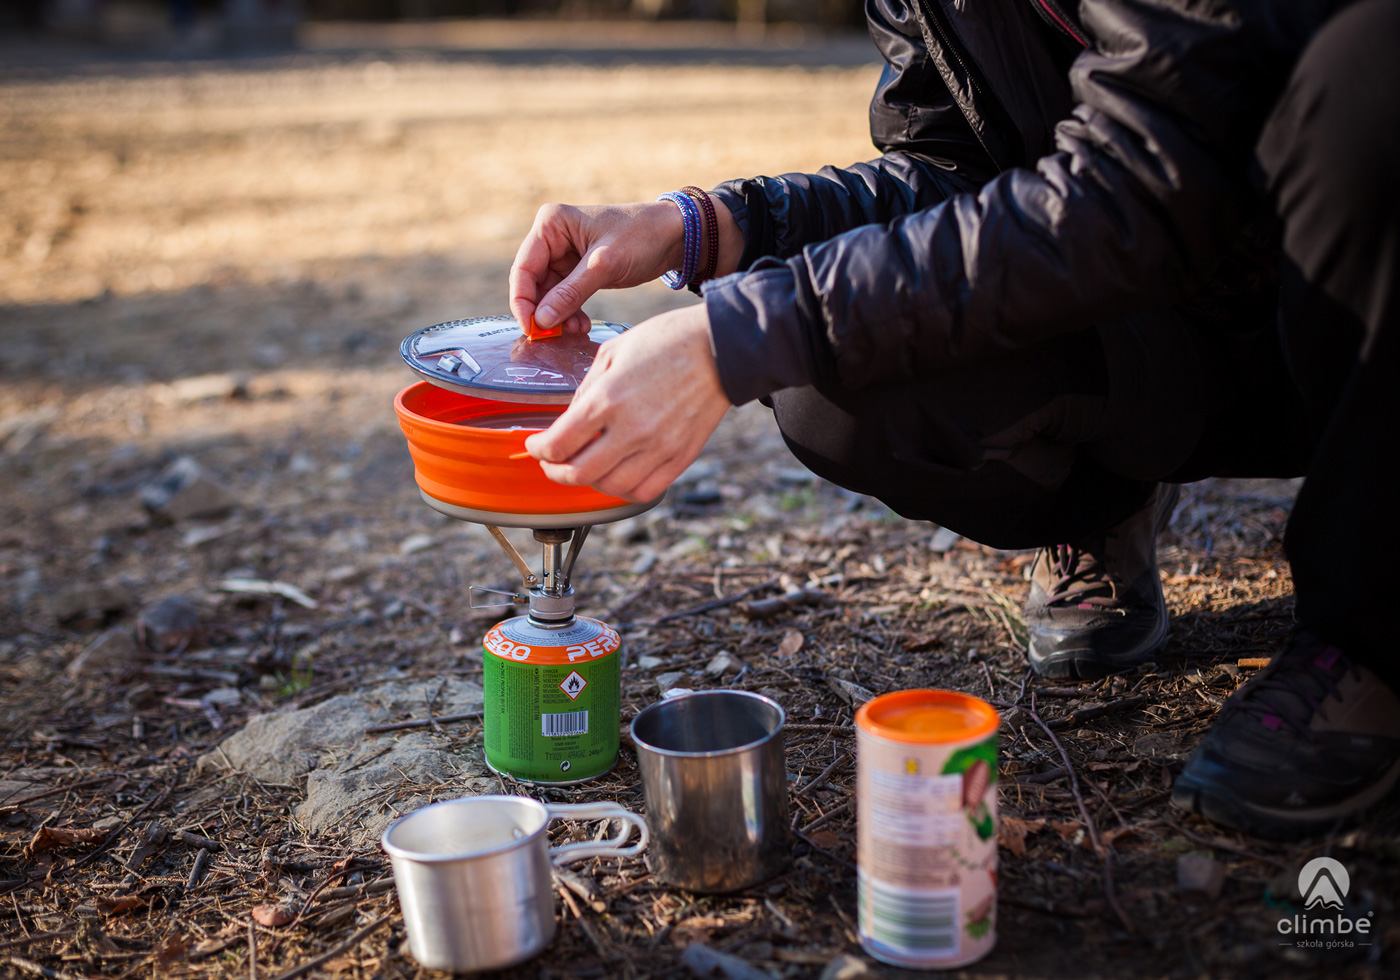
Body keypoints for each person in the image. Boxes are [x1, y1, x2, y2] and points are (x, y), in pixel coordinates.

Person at [507, 0, 1400, 839]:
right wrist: (703, 225)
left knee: (1374, 71)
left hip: (1338, 314)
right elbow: (945, 177)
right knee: (836, 392)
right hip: (1172, 315)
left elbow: (1148, 183)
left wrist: (740, 335)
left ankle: (1368, 639)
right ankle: (1105, 499)